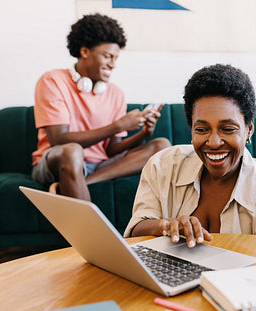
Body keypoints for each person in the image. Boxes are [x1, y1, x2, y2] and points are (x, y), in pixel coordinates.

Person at [125, 64, 256, 247]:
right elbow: (136, 230)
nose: (214, 142)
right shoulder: (162, 166)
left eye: (228, 129)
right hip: (170, 275)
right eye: (202, 129)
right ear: (191, 129)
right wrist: (165, 226)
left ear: (249, 129)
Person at [32, 14, 170, 200]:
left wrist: (143, 133)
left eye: (115, 58)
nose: (113, 64)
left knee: (161, 145)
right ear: (85, 51)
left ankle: (86, 182)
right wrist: (119, 126)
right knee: (72, 151)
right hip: (58, 161)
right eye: (107, 56)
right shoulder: (52, 81)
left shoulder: (115, 93)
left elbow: (111, 150)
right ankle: (84, 228)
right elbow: (59, 140)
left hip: (99, 165)